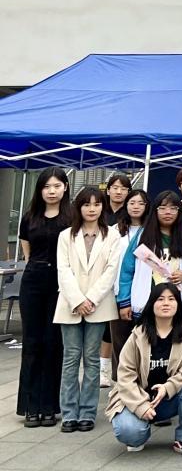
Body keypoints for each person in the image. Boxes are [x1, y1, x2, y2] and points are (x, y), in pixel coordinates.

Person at [107, 283, 182, 457]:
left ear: (178, 304)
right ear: (152, 304)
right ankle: (139, 432)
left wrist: (168, 387)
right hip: (138, 398)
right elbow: (125, 376)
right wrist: (141, 406)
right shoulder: (138, 334)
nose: (166, 303)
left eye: (171, 299)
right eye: (160, 299)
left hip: (169, 398)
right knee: (129, 432)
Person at [54, 186, 122, 433]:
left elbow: (111, 271)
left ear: (103, 206)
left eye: (96, 204)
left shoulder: (112, 235)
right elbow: (63, 270)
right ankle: (69, 412)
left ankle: (87, 412)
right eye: (86, 204)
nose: (92, 209)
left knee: (92, 359)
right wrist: (78, 300)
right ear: (78, 207)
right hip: (70, 304)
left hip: (99, 304)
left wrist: (91, 299)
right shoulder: (66, 236)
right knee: (71, 358)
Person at [17, 167, 72, 428]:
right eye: (46, 186)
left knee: (54, 343)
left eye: (57, 186)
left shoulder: (72, 217)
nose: (52, 191)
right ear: (40, 190)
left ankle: (50, 406)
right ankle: (30, 406)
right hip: (33, 281)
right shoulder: (29, 217)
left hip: (60, 284)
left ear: (65, 188)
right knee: (32, 342)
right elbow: (27, 253)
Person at [117, 191, 182, 360]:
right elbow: (127, 270)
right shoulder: (142, 236)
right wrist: (124, 302)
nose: (168, 212)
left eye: (173, 208)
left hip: (176, 305)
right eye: (163, 208)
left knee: (172, 352)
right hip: (144, 302)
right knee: (143, 351)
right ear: (155, 210)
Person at [106, 189, 150, 384]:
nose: (136, 207)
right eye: (132, 202)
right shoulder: (114, 231)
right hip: (117, 293)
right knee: (120, 341)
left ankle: (141, 384)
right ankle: (120, 385)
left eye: (141, 203)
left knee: (143, 343)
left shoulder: (151, 231)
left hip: (144, 294)